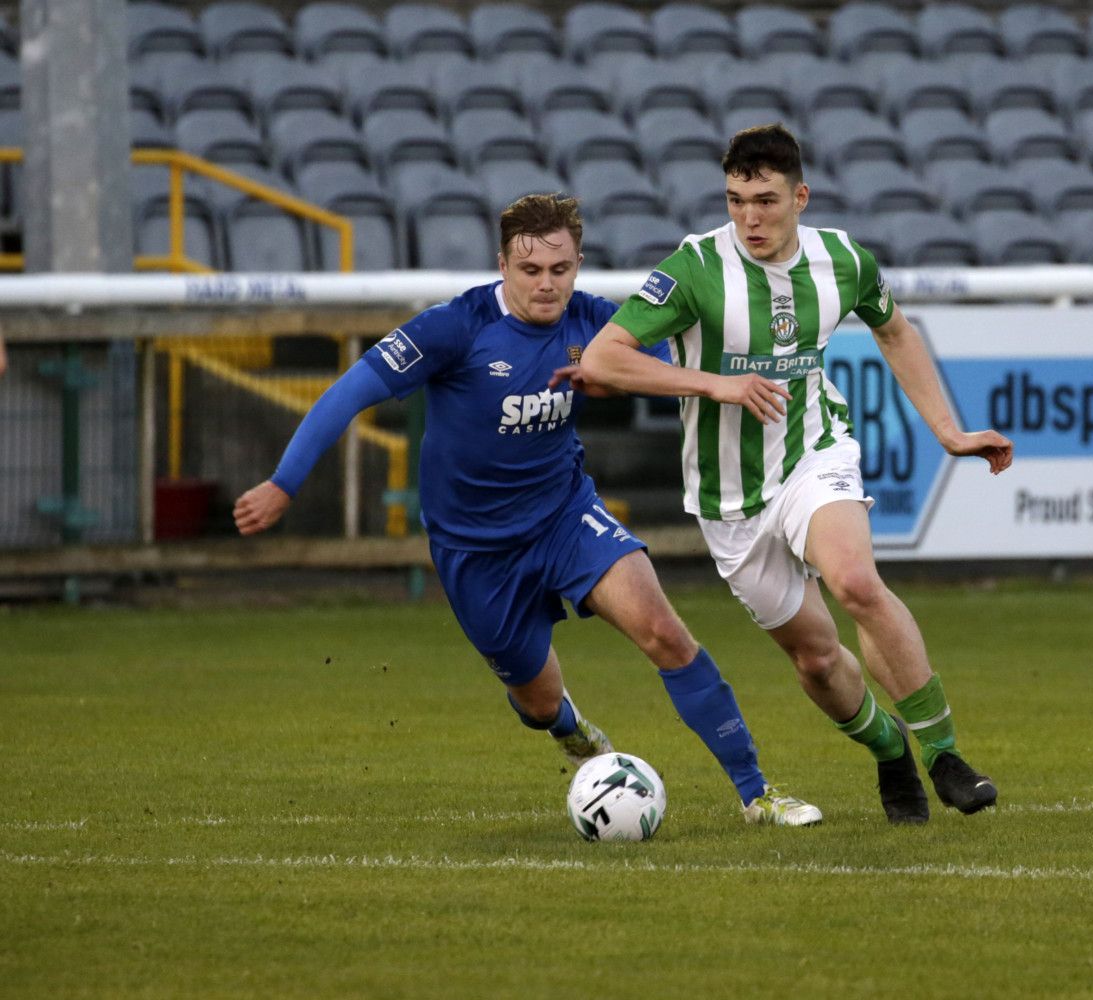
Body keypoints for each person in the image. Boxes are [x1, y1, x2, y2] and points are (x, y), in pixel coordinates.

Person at [234, 193, 821, 828]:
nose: (547, 285)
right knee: (538, 702)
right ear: (503, 265)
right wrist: (284, 483)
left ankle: (757, 793)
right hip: (475, 552)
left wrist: (615, 374)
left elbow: (662, 365)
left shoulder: (595, 324)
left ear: (578, 264)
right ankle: (568, 728)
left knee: (664, 632)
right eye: (531, 270)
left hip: (566, 516)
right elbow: (347, 393)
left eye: (561, 270)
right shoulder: (454, 327)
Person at [580, 124, 1014, 824]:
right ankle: (889, 753)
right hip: (729, 497)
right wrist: (716, 384)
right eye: (735, 200)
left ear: (800, 196)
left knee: (855, 581)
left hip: (815, 451)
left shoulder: (842, 260)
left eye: (766, 200)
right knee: (816, 660)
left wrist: (948, 432)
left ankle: (945, 756)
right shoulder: (694, 269)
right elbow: (603, 358)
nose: (749, 217)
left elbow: (895, 331)